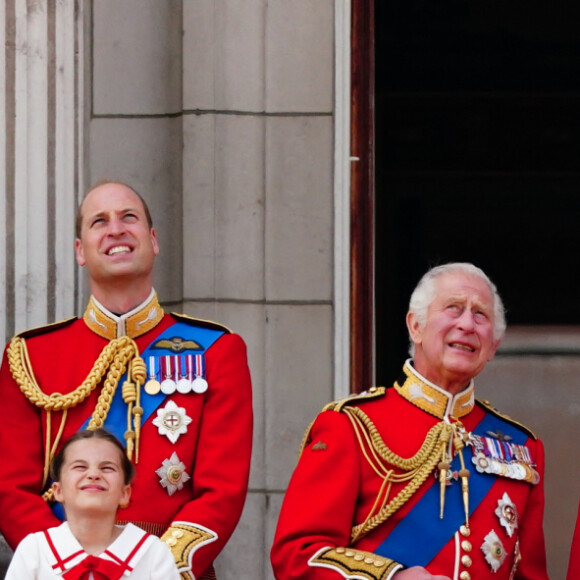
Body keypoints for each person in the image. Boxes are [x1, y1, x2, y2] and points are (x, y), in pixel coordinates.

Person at [0, 181, 253, 580]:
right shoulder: (30, 356)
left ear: (153, 241)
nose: (115, 229)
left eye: (128, 217)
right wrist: (69, 569)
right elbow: (11, 490)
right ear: (80, 251)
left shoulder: (217, 350)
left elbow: (222, 492)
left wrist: (155, 569)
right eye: (99, 221)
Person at [271, 263, 548, 580]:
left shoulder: (523, 448)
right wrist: (392, 577)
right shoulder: (352, 425)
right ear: (415, 326)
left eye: (480, 315)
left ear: (493, 346)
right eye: (453, 308)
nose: (467, 324)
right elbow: (297, 555)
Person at [5, 428, 180, 579]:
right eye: (80, 467)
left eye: (107, 468)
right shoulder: (34, 550)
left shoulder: (152, 552)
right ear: (58, 491)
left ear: (125, 493)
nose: (94, 474)